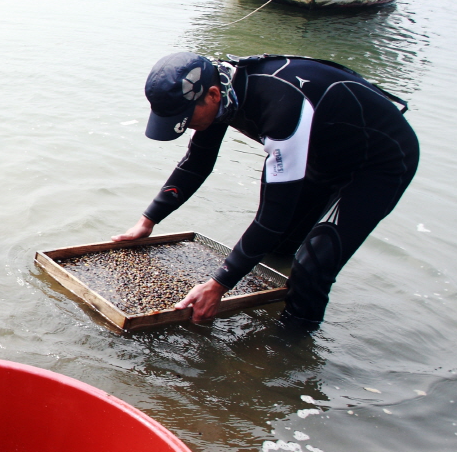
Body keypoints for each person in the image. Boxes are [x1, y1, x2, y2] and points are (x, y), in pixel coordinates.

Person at [114, 52, 419, 328]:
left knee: (313, 266)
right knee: (278, 248)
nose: (189, 128)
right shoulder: (220, 95)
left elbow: (272, 215)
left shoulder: (281, 104)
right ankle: (271, 315)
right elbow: (196, 164)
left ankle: (293, 352)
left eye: (187, 120)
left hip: (378, 162)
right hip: (319, 153)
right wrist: (147, 222)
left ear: (212, 95)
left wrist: (218, 284)